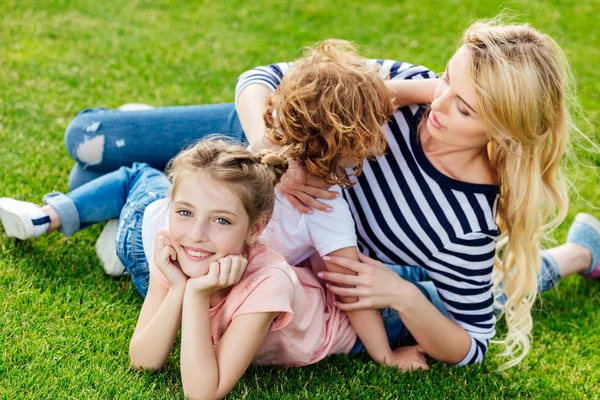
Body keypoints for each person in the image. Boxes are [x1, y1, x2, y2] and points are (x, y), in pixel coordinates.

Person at [58, 20, 598, 368]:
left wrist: (400, 294)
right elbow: (262, 78)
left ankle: (576, 254)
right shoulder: (413, 89)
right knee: (85, 143)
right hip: (261, 136)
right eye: (448, 79)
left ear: (503, 130)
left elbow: (472, 344)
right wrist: (273, 157)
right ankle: (173, 169)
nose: (440, 102)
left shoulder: (464, 222)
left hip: (318, 250)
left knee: (455, 294)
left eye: (465, 108)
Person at [0, 137, 444, 400]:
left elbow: (204, 391)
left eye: (222, 221)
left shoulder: (267, 281)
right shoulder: (173, 248)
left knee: (439, 297)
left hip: (337, 322)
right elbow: (143, 360)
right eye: (185, 212)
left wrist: (192, 296)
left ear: (256, 230)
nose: (196, 236)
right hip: (310, 286)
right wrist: (179, 288)